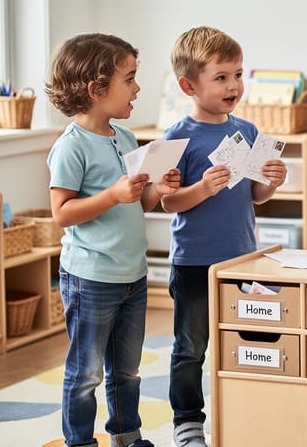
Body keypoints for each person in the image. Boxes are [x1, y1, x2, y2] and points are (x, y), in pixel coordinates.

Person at [46, 33, 181, 447]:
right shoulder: (71, 148)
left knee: (127, 369)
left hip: (131, 275)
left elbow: (137, 203)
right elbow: (61, 213)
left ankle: (126, 434)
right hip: (90, 277)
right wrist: (111, 195)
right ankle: (80, 441)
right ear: (96, 88)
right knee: (85, 372)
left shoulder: (124, 138)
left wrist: (159, 186)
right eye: (130, 78)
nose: (138, 88)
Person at [161, 26, 287, 447]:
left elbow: (256, 196)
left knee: (243, 338)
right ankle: (187, 421)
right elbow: (167, 202)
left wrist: (272, 181)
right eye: (221, 77)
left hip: (240, 260)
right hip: (195, 261)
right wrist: (202, 189)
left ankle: (243, 411)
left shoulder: (248, 131)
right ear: (188, 85)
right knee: (190, 347)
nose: (234, 85)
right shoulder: (177, 138)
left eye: (238, 74)